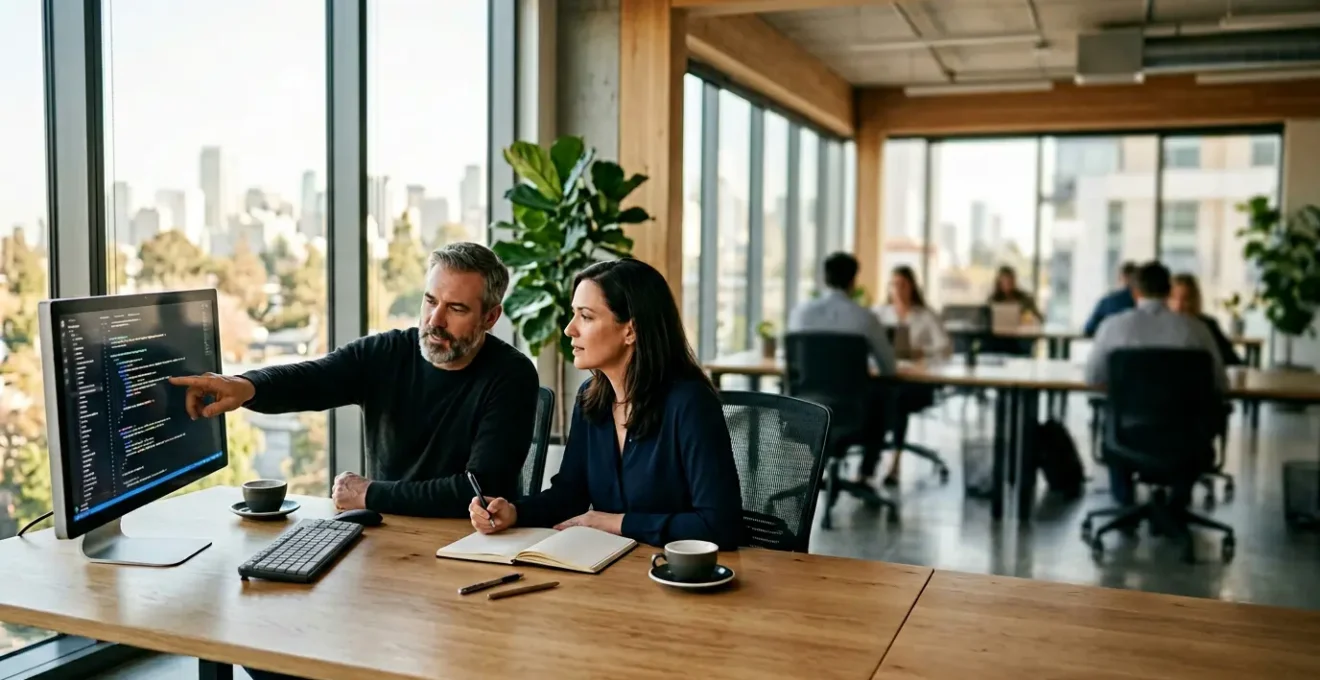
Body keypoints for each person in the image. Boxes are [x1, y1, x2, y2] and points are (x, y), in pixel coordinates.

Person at [169, 242, 540, 518]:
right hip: (388, 536)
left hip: (468, 545)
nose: (435, 320)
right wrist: (245, 386)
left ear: (490, 317)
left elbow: (479, 490)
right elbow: (314, 378)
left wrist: (370, 494)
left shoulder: (512, 376)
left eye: (456, 308)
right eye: (430, 301)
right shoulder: (387, 353)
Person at [469, 258, 743, 550]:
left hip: (675, 570)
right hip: (609, 564)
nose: (569, 329)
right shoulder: (591, 398)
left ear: (630, 331)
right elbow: (569, 495)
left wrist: (615, 523)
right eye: (574, 314)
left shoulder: (690, 403)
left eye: (586, 317)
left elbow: (720, 525)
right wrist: (514, 512)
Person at [1085, 261, 1226, 508]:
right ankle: (1178, 501)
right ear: (1169, 290)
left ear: (1135, 292)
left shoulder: (1112, 327)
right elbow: (1219, 383)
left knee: (1115, 423)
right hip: (1187, 435)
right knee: (1188, 432)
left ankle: (1124, 501)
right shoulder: (1196, 330)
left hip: (1127, 434)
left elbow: (1093, 378)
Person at [787, 253, 897, 493]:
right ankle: (866, 474)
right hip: (854, 411)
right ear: (853, 281)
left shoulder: (799, 314)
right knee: (884, 396)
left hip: (804, 407)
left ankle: (819, 468)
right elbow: (889, 369)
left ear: (824, 278)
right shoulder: (865, 318)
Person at [872, 265, 947, 486]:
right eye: (894, 284)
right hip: (885, 376)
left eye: (903, 284)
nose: (898, 289)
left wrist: (921, 352)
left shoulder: (925, 315)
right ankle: (870, 463)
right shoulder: (879, 313)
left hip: (916, 381)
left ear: (912, 287)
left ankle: (894, 462)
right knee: (876, 396)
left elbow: (944, 347)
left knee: (898, 398)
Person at [1170, 273, 1243, 366]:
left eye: (1185, 299)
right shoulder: (1161, 327)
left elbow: (1231, 360)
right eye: (1173, 298)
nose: (1178, 306)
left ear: (1195, 301)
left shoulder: (1207, 325)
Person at [1083, 261, 1138, 337]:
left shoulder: (1107, 301)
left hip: (1111, 342)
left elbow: (1089, 329)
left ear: (1121, 278)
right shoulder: (1143, 302)